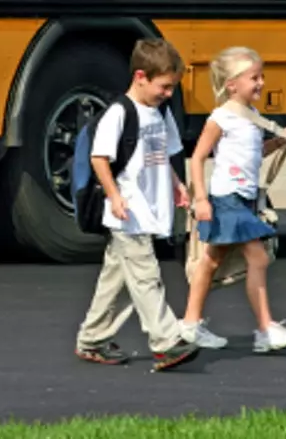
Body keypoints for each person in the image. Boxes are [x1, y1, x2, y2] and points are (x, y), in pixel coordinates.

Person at [74, 39, 201, 373]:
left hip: (151, 208)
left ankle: (92, 338)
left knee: (117, 282)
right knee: (146, 277)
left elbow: (165, 155)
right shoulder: (120, 113)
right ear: (141, 76)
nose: (168, 94)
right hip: (129, 212)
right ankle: (166, 342)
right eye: (164, 86)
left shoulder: (160, 113)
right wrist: (114, 196)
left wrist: (177, 185)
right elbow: (99, 158)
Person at [180, 46, 286, 354]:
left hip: (243, 198)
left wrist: (278, 142)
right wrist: (201, 199)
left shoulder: (252, 118)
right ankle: (266, 329)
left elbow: (253, 153)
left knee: (211, 260)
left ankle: (190, 323)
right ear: (232, 84)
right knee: (258, 257)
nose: (261, 83)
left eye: (261, 76)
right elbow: (197, 158)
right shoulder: (221, 118)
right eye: (254, 77)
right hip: (227, 198)